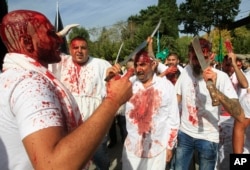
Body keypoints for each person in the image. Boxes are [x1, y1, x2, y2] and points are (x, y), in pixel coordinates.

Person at [0, 9, 133, 170]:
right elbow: (54, 166)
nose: (59, 40)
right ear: (27, 43)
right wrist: (113, 100)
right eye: (50, 34)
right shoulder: (29, 84)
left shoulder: (12, 76)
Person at [173, 37, 245, 170]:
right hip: (184, 134)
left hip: (208, 137)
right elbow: (176, 98)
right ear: (189, 56)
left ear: (211, 56)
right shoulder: (186, 71)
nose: (199, 63)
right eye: (195, 58)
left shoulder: (221, 77)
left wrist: (215, 89)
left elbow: (239, 115)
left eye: (204, 58)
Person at [49, 36, 115, 169]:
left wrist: (113, 77)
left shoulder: (101, 64)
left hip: (95, 126)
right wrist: (56, 37)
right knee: (74, 162)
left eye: (83, 48)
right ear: (70, 49)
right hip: (70, 129)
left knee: (101, 159)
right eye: (75, 47)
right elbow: (47, 52)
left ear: (88, 49)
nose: (79, 51)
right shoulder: (61, 62)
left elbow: (113, 88)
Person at [122, 50, 180, 170]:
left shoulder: (166, 86)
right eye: (136, 65)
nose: (138, 69)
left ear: (153, 65)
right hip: (132, 150)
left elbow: (173, 119)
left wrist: (170, 146)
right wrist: (111, 80)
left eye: (142, 64)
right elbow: (109, 103)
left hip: (157, 150)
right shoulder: (128, 85)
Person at [216, 52, 248, 170]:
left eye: (233, 65)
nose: (230, 68)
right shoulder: (216, 75)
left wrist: (234, 65)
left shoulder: (239, 76)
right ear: (222, 64)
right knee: (216, 157)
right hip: (216, 120)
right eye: (227, 64)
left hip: (232, 121)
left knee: (230, 156)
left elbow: (245, 84)